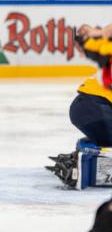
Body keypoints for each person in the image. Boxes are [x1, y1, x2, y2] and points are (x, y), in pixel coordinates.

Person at [47, 23, 112, 189]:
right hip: (94, 107)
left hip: (89, 107)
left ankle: (84, 158)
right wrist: (99, 32)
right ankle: (82, 164)